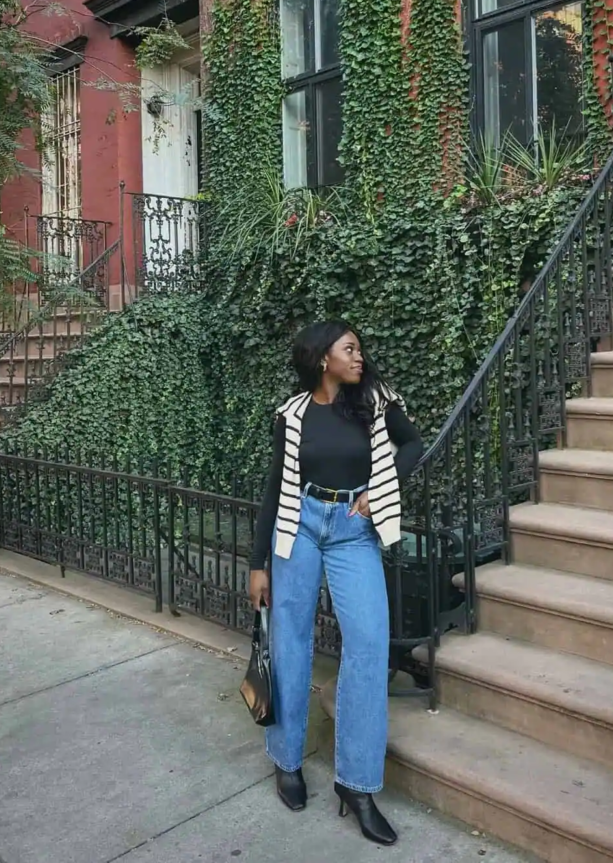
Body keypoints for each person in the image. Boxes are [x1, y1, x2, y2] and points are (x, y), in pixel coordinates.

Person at [249, 320, 423, 847]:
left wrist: (377, 491)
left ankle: (358, 785)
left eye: (360, 349)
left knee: (369, 643)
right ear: (323, 358)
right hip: (299, 525)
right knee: (290, 640)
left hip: (353, 530)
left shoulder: (375, 401)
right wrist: (258, 563)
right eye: (350, 349)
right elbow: (275, 485)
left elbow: (412, 446)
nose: (359, 356)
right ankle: (287, 760)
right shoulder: (294, 414)